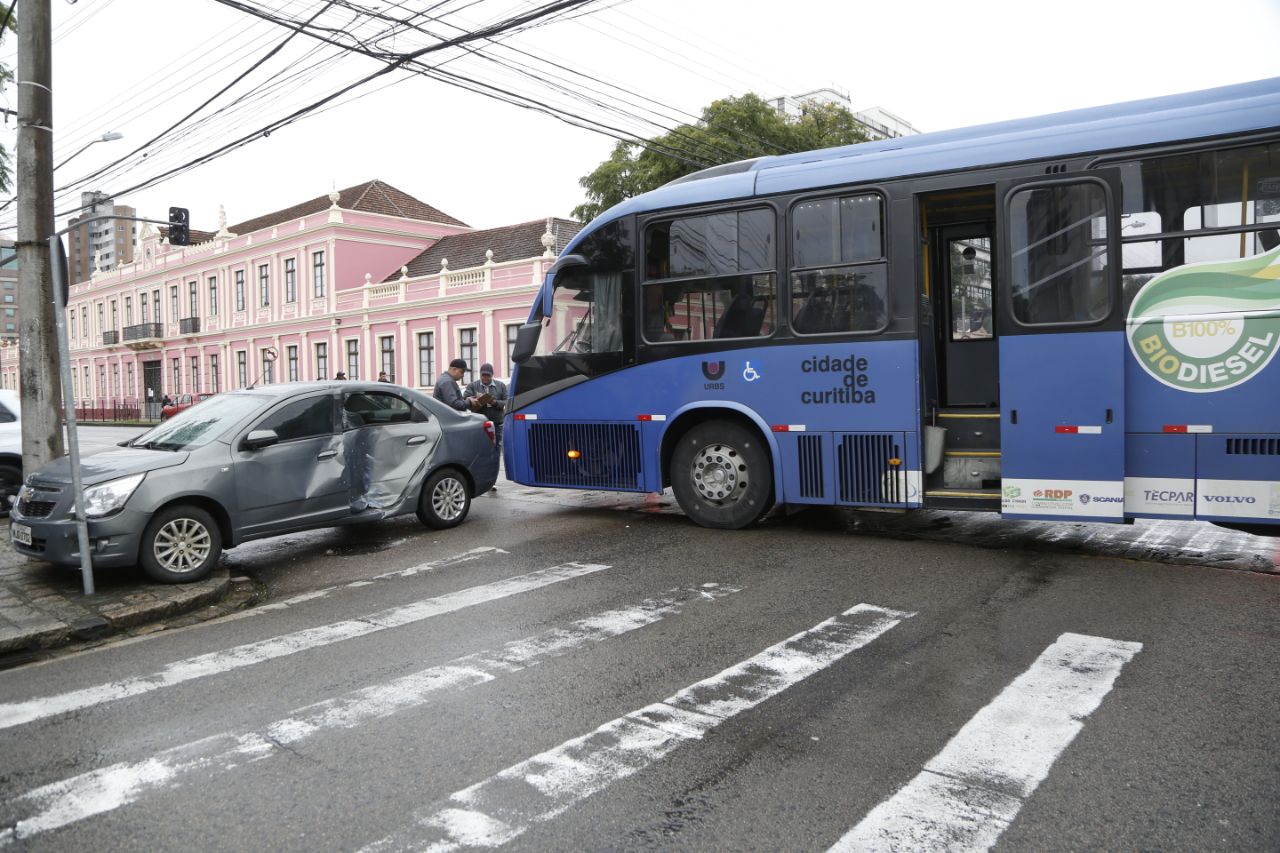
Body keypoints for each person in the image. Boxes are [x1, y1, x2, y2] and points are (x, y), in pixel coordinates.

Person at [464, 363, 508, 448]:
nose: (485, 378)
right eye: (483, 375)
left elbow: (507, 401)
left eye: (488, 375)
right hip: (479, 423)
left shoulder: (501, 385)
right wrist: (475, 398)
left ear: (492, 375)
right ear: (480, 374)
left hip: (497, 423)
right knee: (481, 447)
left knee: (498, 446)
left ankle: (496, 461)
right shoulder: (472, 385)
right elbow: (465, 398)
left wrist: (495, 402)